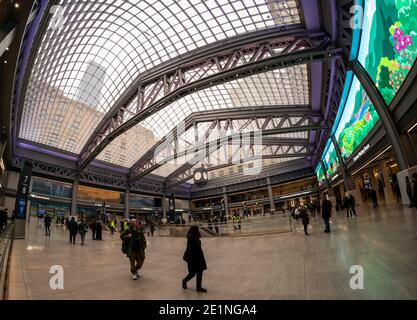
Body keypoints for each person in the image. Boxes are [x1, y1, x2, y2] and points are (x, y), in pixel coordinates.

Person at [182, 226, 207, 293]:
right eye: (197, 229)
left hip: (199, 258)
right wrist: (191, 260)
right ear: (194, 231)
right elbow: (190, 250)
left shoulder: (196, 237)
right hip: (192, 259)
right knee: (192, 273)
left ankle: (198, 287)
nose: (198, 230)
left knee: (200, 272)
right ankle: (184, 281)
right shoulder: (191, 239)